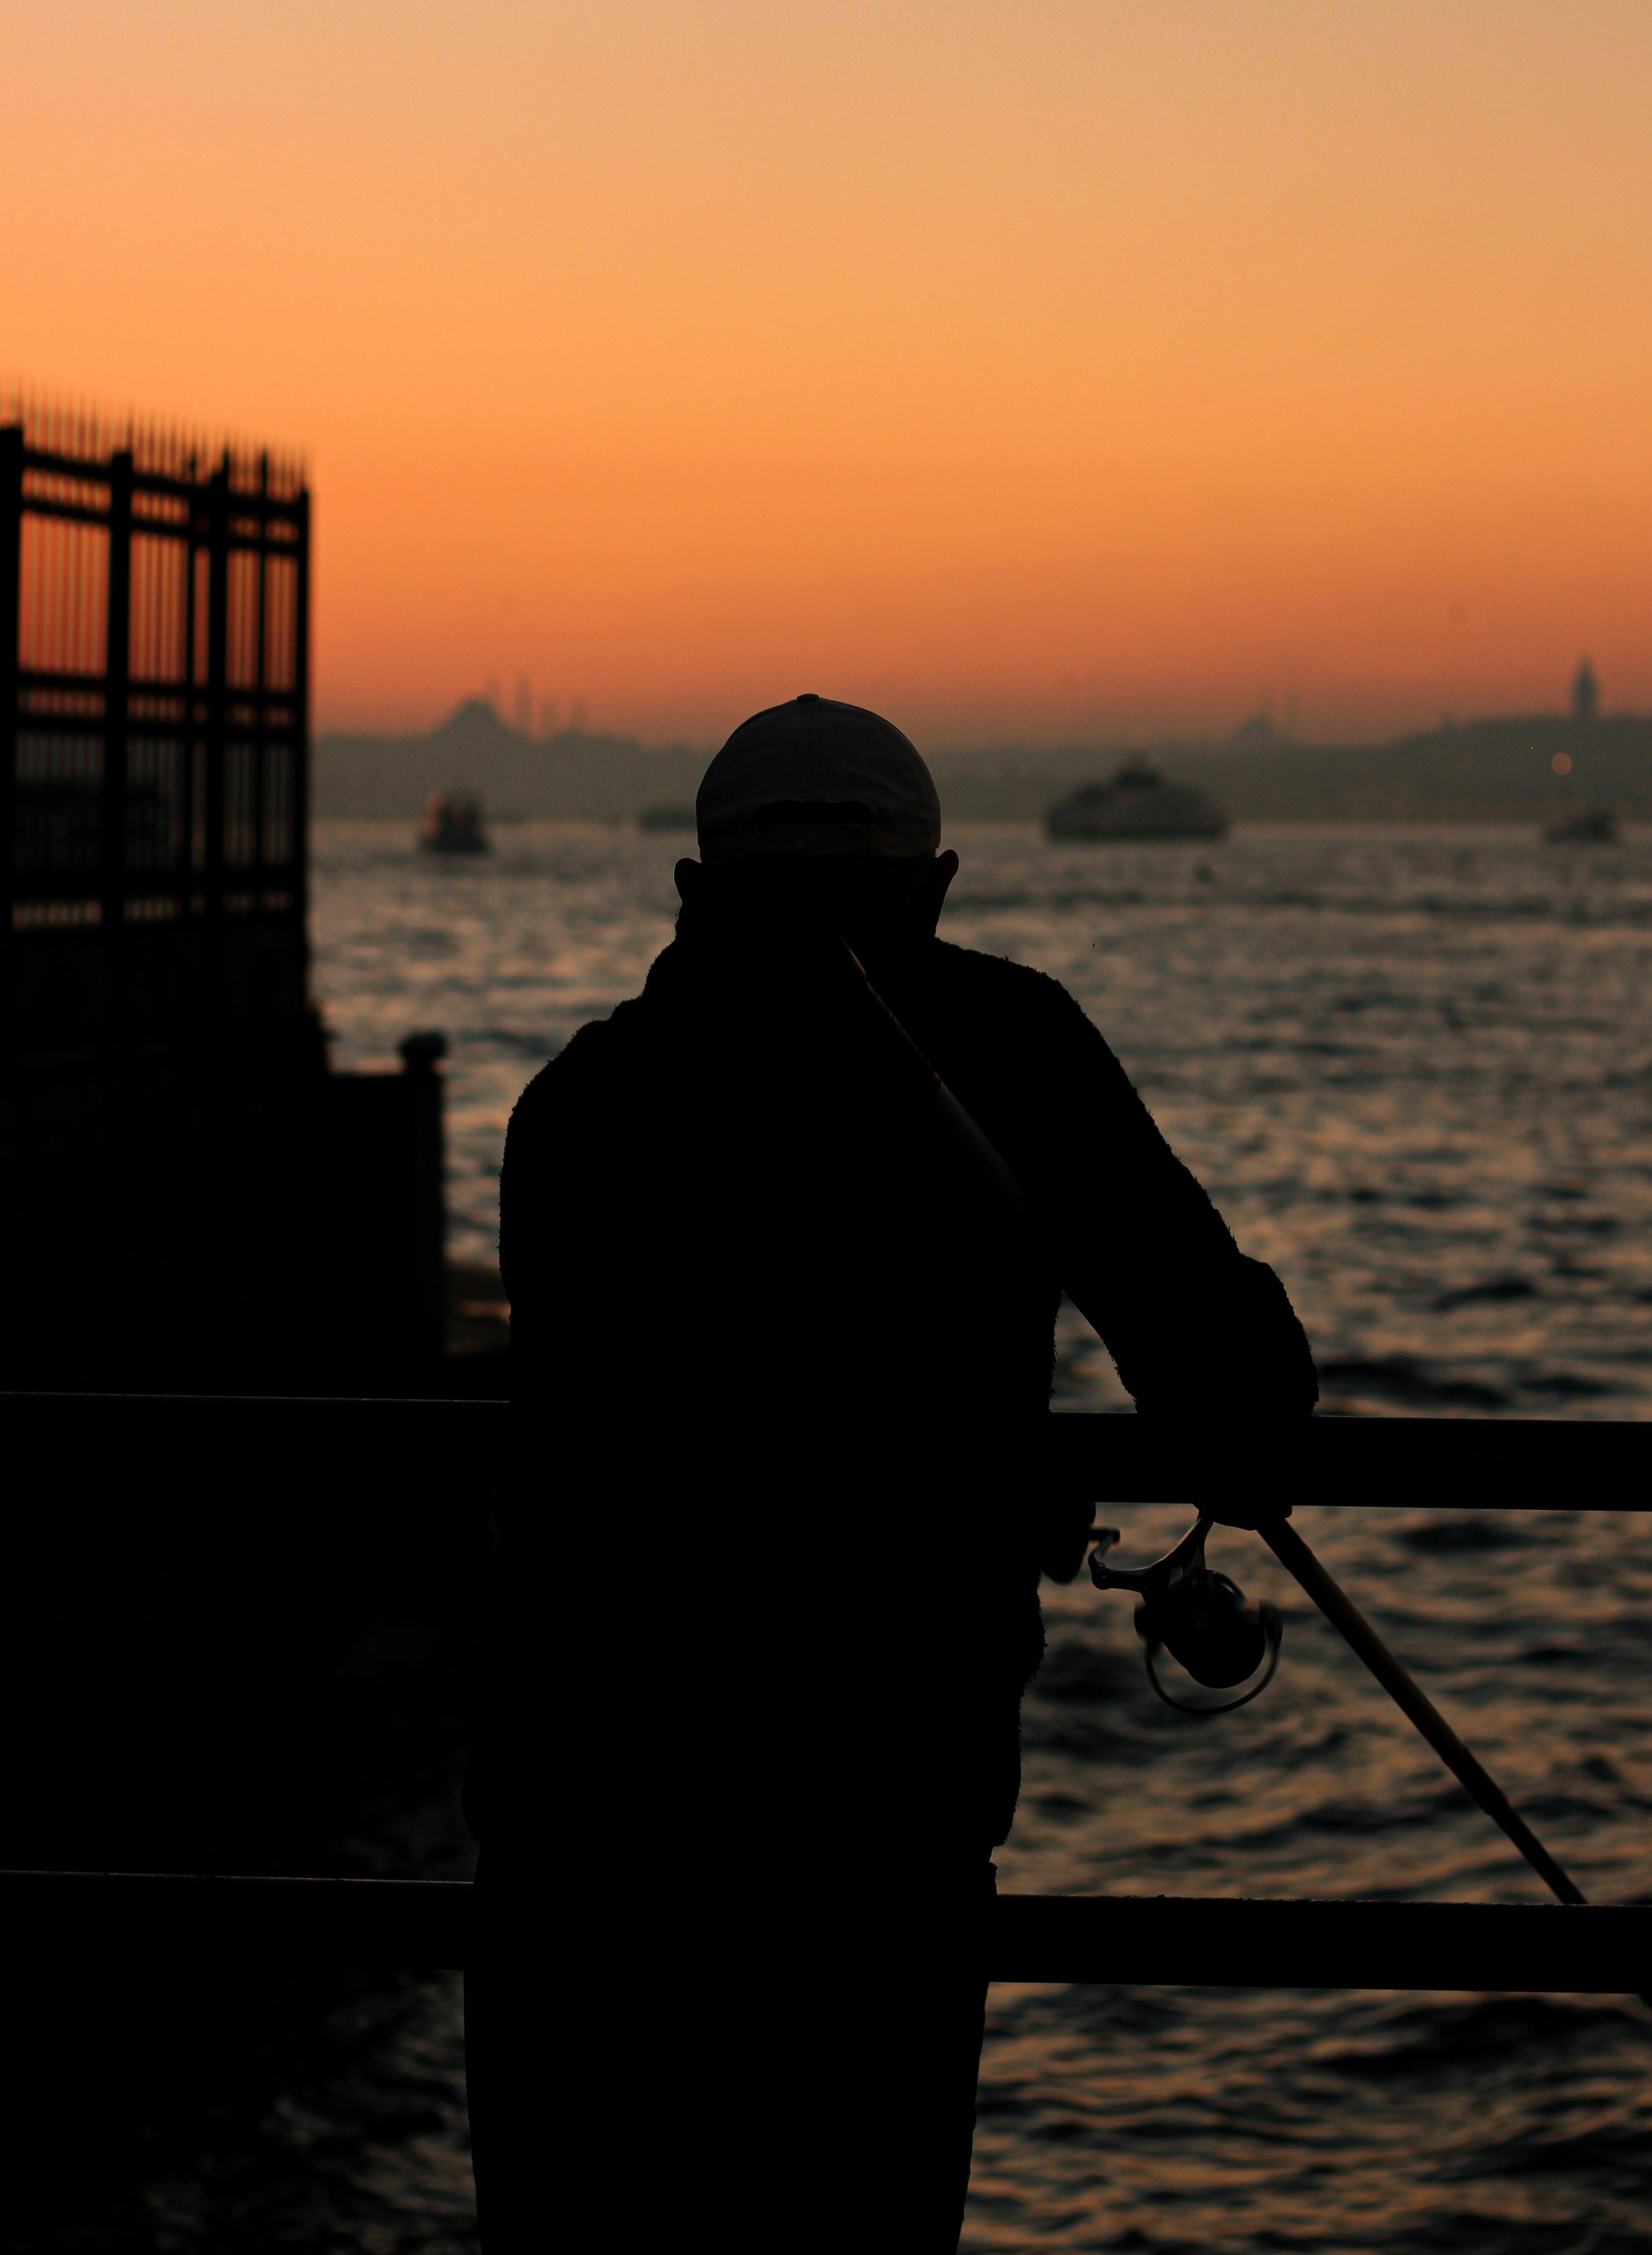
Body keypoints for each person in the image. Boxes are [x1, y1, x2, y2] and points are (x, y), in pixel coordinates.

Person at [465, 695, 1316, 2251]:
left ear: (693, 891)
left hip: (577, 1829)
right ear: (933, 885)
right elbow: (1241, 1391)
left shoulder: (578, 1102)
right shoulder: (1015, 1049)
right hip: (876, 1828)